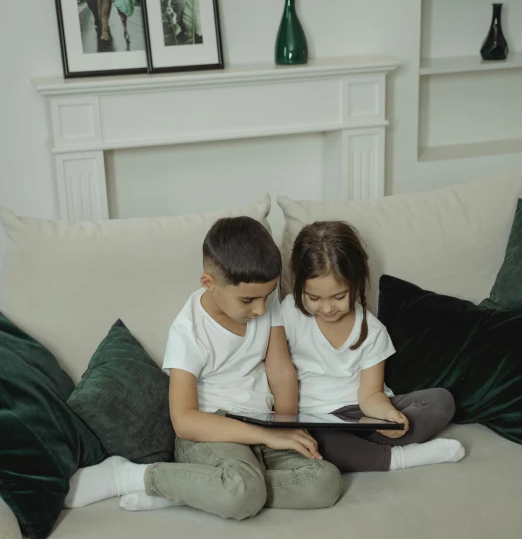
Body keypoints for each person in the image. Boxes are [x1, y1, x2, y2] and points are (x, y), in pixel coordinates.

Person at [65, 217, 343, 518]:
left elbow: (280, 369)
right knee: (242, 493)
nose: (261, 309)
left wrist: (285, 426)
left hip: (264, 424)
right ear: (209, 284)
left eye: (267, 296)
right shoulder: (189, 331)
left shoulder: (264, 299)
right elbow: (184, 420)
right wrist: (265, 436)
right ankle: (132, 477)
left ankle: (197, 490)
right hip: (211, 432)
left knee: (324, 482)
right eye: (248, 300)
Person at [282, 221, 464, 474]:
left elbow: (370, 395)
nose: (326, 308)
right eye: (314, 298)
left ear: (357, 283)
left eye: (338, 297)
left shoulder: (373, 330)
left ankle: (365, 446)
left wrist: (388, 415)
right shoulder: (288, 314)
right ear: (299, 284)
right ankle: (398, 457)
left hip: (361, 414)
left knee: (441, 401)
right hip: (317, 419)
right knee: (319, 441)